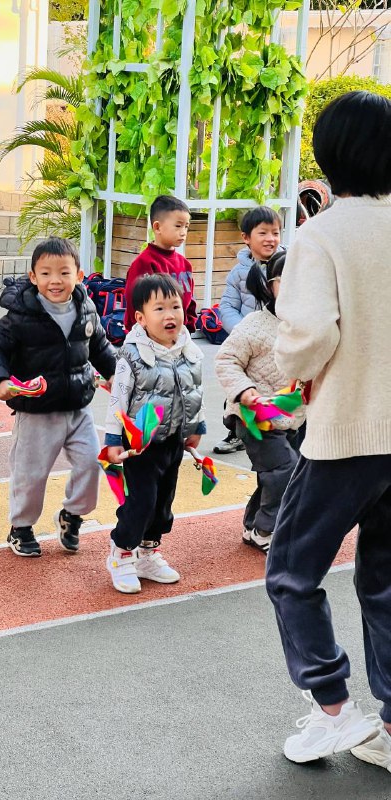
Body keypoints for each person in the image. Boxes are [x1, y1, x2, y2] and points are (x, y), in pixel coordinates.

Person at [265, 91, 391, 766]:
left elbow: (309, 334)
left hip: (347, 433)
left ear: (329, 155)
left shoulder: (322, 236)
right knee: (386, 580)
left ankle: (333, 707)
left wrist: (287, 369)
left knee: (291, 570)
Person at [0, 237, 116, 558]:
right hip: (36, 411)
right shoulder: (20, 316)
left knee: (91, 464)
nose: (55, 281)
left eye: (64, 273)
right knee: (30, 474)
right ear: (33, 277)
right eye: (46, 273)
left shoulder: (86, 308)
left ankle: (72, 515)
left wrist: (114, 374)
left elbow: (99, 346)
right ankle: (21, 527)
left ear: (79, 275)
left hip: (77, 407)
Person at [104, 274, 206, 594]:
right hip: (141, 445)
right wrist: (111, 439)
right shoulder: (133, 354)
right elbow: (118, 398)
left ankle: (148, 553)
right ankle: (121, 553)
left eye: (175, 306)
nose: (170, 315)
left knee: (163, 503)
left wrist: (195, 428)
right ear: (141, 318)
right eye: (159, 308)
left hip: (173, 441)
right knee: (142, 502)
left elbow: (193, 391)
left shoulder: (188, 350)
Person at [214, 252, 304, 554]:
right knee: (284, 471)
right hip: (253, 415)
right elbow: (226, 359)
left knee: (282, 473)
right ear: (270, 287)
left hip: (291, 416)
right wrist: (245, 391)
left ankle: (253, 524)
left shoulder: (307, 326)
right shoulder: (256, 323)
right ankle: (266, 529)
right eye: (286, 280)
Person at [213, 206, 284, 455]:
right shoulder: (239, 272)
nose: (270, 239)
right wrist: (241, 331)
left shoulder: (286, 268)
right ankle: (236, 432)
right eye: (263, 233)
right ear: (246, 237)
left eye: (275, 233)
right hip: (247, 342)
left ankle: (276, 430)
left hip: (277, 341)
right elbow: (227, 307)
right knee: (240, 389)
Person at [124, 195, 197, 334]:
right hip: (149, 337)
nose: (183, 232)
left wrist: (189, 326)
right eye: (178, 226)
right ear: (157, 227)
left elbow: (190, 300)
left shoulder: (185, 264)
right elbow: (134, 303)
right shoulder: (144, 263)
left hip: (178, 333)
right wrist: (140, 333)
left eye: (186, 227)